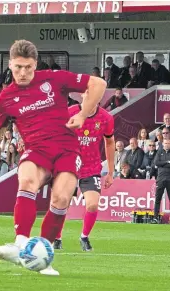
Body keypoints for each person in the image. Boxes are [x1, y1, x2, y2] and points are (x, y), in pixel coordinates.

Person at [0, 39, 106, 276]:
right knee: (26, 182)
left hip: (67, 149)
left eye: (28, 67)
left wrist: (84, 115)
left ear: (35, 65)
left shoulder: (54, 78)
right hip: (36, 149)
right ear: (10, 65)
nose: (23, 72)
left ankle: (38, 256)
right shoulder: (5, 98)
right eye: (18, 67)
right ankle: (20, 243)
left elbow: (98, 83)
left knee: (61, 199)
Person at [54, 91, 115, 251]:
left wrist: (110, 171)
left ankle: (84, 237)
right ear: (83, 96)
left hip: (91, 168)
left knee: (93, 205)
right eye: (88, 94)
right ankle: (57, 237)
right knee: (62, 203)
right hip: (69, 166)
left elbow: (109, 143)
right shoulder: (70, 112)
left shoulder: (106, 118)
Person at [151, 139, 170, 224]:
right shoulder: (159, 152)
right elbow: (156, 163)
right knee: (158, 199)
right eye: (165, 143)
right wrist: (167, 162)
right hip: (161, 179)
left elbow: (159, 163)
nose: (167, 144)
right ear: (163, 144)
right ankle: (155, 218)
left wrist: (162, 163)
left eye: (168, 143)